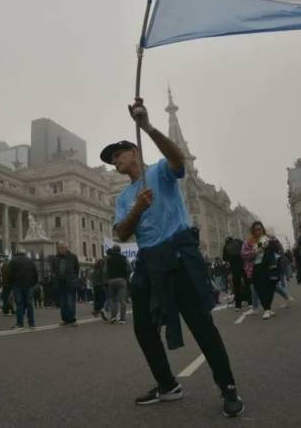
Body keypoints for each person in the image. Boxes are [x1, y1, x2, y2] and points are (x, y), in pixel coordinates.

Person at [106, 98, 243, 417]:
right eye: (111, 159)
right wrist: (138, 207)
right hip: (149, 264)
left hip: (179, 255)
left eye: (118, 154)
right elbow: (120, 233)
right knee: (143, 327)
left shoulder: (160, 173)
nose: (115, 161)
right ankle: (168, 384)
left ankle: (228, 386)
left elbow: (178, 159)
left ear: (134, 152)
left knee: (201, 325)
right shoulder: (124, 197)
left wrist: (148, 127)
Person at [241, 221, 278, 319]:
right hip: (255, 267)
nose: (258, 231)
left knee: (271, 286)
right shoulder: (249, 242)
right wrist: (256, 251)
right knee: (260, 289)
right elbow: (244, 254)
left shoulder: (268, 239)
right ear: (253, 231)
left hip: (269, 266)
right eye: (255, 230)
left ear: (262, 229)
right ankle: (266, 310)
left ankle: (268, 309)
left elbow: (277, 249)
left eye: (259, 229)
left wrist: (272, 244)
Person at [49, 242, 80, 327]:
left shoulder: (73, 257)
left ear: (66, 248)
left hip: (70, 283)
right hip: (60, 283)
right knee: (63, 303)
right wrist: (54, 276)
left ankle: (72, 320)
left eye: (62, 247)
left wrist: (74, 278)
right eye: (59, 248)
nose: (61, 249)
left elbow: (77, 268)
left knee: (70, 302)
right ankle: (65, 320)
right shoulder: (55, 258)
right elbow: (53, 270)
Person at [7, 249, 38, 330]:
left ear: (17, 253)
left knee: (19, 304)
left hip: (17, 286)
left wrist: (12, 284)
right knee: (29, 304)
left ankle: (20, 324)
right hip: (29, 286)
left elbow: (9, 273)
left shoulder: (13, 261)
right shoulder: (30, 261)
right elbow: (36, 273)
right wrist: (33, 284)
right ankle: (32, 324)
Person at [106, 245, 130, 324]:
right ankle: (122, 319)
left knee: (113, 299)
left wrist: (108, 278)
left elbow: (105, 271)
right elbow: (130, 268)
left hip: (111, 280)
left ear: (113, 251)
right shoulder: (124, 258)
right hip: (121, 279)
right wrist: (126, 275)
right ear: (120, 250)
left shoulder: (108, 259)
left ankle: (113, 317)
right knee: (122, 300)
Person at [222, 235, 248, 310]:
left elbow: (224, 258)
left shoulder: (226, 245)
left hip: (234, 267)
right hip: (243, 264)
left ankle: (238, 305)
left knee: (237, 286)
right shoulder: (239, 242)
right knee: (247, 282)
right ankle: (250, 302)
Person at [90, 256, 109, 321]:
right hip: (101, 285)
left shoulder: (94, 270)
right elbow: (104, 277)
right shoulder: (102, 270)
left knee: (97, 299)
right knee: (103, 299)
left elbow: (91, 277)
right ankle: (101, 310)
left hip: (95, 286)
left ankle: (96, 311)